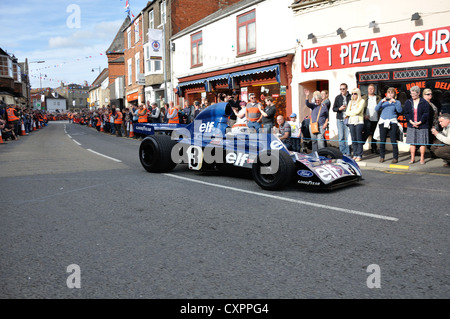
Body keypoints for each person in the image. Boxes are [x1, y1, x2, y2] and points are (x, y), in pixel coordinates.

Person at [375, 87, 403, 163]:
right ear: (387, 94)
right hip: (383, 122)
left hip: (392, 122)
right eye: (389, 93)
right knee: (382, 140)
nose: (390, 94)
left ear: (394, 94)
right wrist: (381, 101)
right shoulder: (384, 102)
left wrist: (395, 102)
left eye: (392, 93)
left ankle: (395, 157)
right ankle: (382, 156)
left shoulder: (397, 102)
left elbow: (399, 110)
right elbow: (376, 109)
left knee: (393, 140)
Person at [404, 86, 430, 165]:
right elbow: (406, 113)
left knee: (422, 142)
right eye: (411, 94)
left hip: (422, 125)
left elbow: (426, 113)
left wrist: (420, 122)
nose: (412, 96)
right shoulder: (408, 102)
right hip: (411, 124)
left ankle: (422, 159)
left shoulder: (424, 102)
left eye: (414, 94)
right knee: (412, 142)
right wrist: (411, 121)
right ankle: (412, 159)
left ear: (419, 93)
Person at [345, 88, 365, 161]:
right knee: (353, 139)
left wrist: (350, 113)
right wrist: (351, 113)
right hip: (351, 122)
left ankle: (359, 154)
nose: (353, 95)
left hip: (359, 122)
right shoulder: (350, 102)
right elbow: (346, 112)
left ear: (358, 94)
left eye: (355, 93)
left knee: (359, 138)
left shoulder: (362, 101)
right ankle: (355, 154)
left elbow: (358, 111)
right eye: (352, 93)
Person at [362, 84, 382, 154]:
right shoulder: (364, 98)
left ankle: (374, 148)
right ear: (367, 89)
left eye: (372, 89)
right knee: (366, 133)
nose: (371, 90)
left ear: (374, 90)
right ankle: (360, 146)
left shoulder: (378, 98)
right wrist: (364, 115)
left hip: (376, 118)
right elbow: (361, 108)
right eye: (369, 88)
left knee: (374, 134)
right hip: (367, 118)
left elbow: (381, 108)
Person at [332, 83, 352, 155]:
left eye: (343, 89)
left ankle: (348, 153)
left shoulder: (351, 96)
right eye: (341, 89)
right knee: (341, 137)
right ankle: (342, 153)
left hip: (348, 119)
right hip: (340, 119)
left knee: (347, 137)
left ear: (347, 89)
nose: (342, 90)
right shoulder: (338, 97)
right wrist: (339, 109)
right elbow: (333, 108)